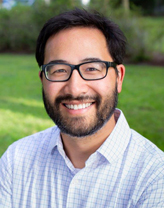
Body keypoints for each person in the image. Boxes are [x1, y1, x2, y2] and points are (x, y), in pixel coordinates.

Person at [0, 8, 164, 208]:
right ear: (43, 80)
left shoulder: (155, 176)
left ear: (119, 77)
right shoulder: (15, 160)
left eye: (92, 68)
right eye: (59, 70)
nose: (75, 88)